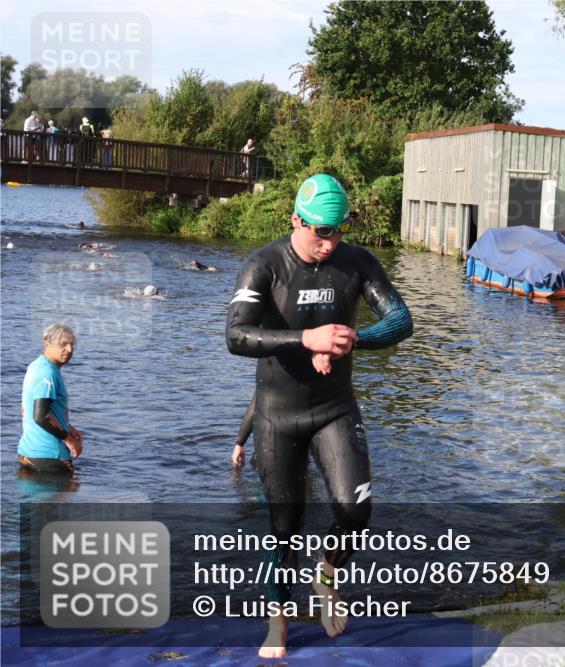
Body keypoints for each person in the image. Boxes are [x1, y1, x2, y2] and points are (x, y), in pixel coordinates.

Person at [226, 173, 412, 658]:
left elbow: (401, 319)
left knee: (356, 510)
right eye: (320, 232)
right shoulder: (264, 266)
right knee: (283, 530)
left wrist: (355, 340)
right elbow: (236, 336)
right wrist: (304, 340)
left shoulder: (357, 262)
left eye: (339, 230)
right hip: (277, 416)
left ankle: (326, 570)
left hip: (334, 408)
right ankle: (278, 622)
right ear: (296, 221)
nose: (330, 242)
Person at [18, 324, 83, 474]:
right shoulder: (47, 373)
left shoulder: (37, 366)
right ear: (46, 343)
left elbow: (41, 409)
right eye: (63, 344)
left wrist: (68, 426)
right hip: (50, 456)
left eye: (72, 344)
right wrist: (69, 440)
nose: (69, 350)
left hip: (28, 453)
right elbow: (41, 416)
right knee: (66, 495)